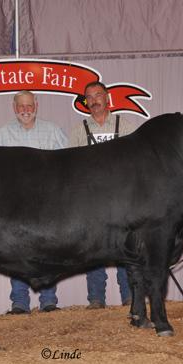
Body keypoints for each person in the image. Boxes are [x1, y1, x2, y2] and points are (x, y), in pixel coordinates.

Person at [0, 90, 67, 314]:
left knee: (48, 251)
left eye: (29, 105)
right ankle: (19, 303)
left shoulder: (53, 132)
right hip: (15, 205)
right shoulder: (0, 135)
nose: (25, 109)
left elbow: (69, 166)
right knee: (15, 252)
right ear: (14, 108)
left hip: (47, 203)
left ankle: (48, 301)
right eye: (20, 106)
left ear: (36, 105)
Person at [69, 81, 135, 309]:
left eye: (98, 95)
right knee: (94, 248)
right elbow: (71, 168)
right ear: (86, 102)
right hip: (91, 200)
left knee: (125, 247)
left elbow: (134, 163)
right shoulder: (79, 131)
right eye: (89, 97)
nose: (94, 100)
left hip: (121, 198)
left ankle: (129, 296)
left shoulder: (124, 126)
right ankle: (96, 298)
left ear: (107, 98)